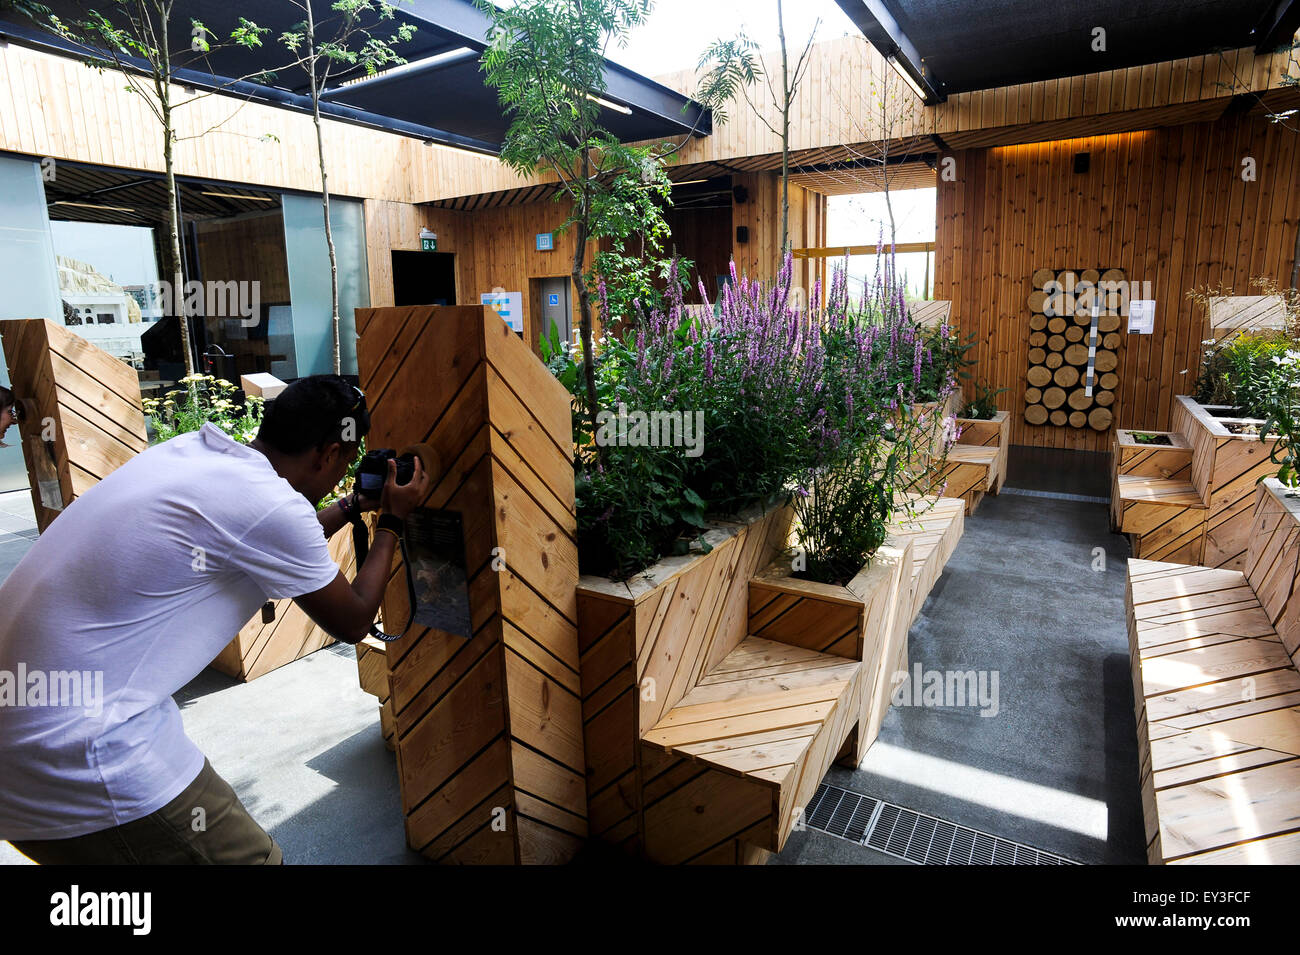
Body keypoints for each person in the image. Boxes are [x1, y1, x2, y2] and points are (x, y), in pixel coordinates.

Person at [0, 374, 428, 864]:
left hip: (20, 739)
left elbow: (263, 533)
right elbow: (354, 620)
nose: (340, 478)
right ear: (327, 453)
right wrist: (392, 520)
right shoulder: (271, 508)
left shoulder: (193, 453)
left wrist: (352, 505)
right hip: (78, 756)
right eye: (345, 467)